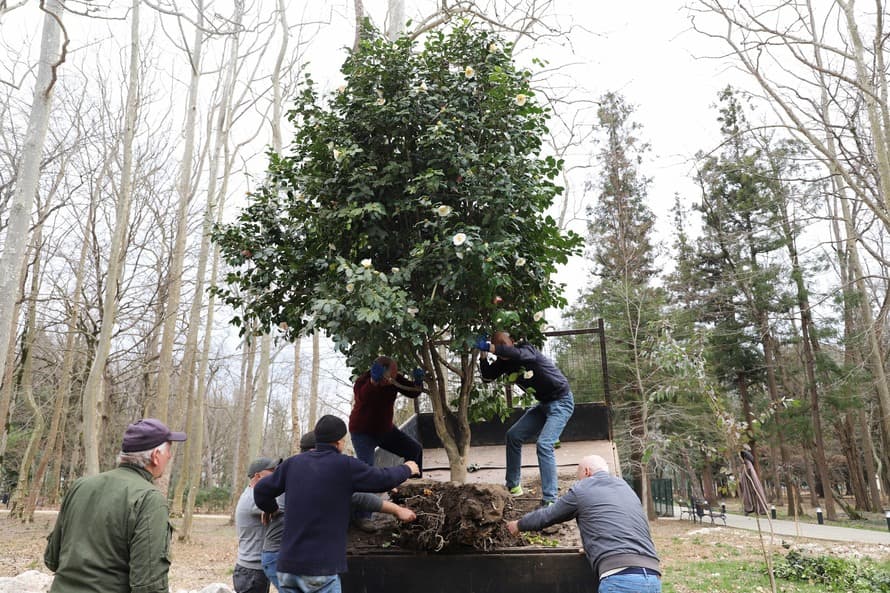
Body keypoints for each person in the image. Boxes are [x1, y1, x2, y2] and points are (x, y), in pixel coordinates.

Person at [254, 415, 418, 593]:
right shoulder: (344, 465)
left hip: (287, 569)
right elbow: (382, 479)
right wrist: (407, 468)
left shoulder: (292, 463)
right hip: (320, 571)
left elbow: (261, 490)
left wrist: (271, 508)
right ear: (340, 442)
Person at [44, 418, 187, 593]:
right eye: (168, 450)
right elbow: (149, 586)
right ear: (156, 456)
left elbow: (52, 559)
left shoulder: (80, 486)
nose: (170, 456)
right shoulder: (149, 499)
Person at [507, 455, 661, 593]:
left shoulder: (583, 488)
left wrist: (519, 524)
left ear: (587, 471)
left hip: (620, 578)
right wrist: (592, 548)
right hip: (652, 577)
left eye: (578, 476)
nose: (578, 480)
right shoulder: (625, 488)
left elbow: (549, 515)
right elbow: (620, 525)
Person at [477, 330, 575, 505]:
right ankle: (513, 486)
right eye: (496, 344)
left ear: (513, 341)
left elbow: (515, 353)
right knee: (513, 435)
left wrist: (491, 347)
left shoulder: (526, 349)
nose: (499, 349)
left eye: (502, 344)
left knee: (544, 445)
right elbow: (487, 377)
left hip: (561, 402)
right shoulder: (503, 362)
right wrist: (483, 354)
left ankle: (550, 501)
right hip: (544, 404)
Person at [348, 356, 424, 529]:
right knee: (365, 470)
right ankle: (363, 516)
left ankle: (412, 495)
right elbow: (362, 397)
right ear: (381, 372)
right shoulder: (363, 381)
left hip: (385, 430)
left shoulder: (395, 380)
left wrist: (418, 382)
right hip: (362, 432)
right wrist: (374, 383)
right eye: (391, 374)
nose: (394, 377)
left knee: (414, 449)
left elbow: (412, 391)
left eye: (395, 374)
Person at [235, 456, 281, 593]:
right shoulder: (255, 498)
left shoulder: (254, 494)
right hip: (251, 573)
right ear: (258, 475)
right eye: (272, 470)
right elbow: (282, 509)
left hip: (253, 571)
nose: (277, 474)